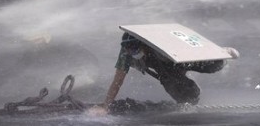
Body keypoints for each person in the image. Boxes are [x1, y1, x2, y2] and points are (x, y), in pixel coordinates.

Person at [90, 32, 239, 115]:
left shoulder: (159, 47)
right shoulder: (126, 53)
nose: (132, 53)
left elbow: (190, 47)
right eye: (129, 50)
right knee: (175, 86)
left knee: (211, 66)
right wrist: (105, 106)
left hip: (178, 57)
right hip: (163, 66)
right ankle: (189, 97)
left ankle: (221, 58)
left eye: (135, 50)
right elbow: (118, 80)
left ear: (144, 45)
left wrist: (217, 54)